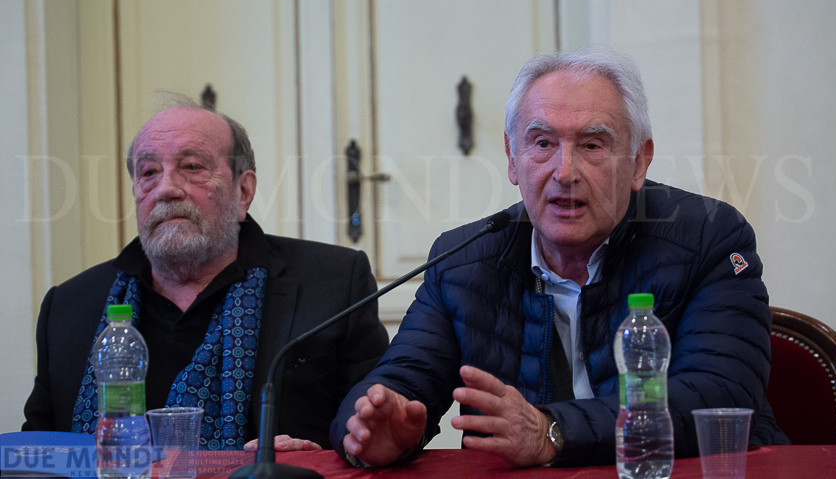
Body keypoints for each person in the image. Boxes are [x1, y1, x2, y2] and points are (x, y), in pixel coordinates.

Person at [330, 46, 788, 468]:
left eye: (592, 145)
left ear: (639, 162)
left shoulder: (708, 237)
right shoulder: (462, 261)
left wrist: (552, 431)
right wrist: (368, 431)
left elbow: (719, 394)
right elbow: (401, 381)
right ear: (512, 158)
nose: (564, 172)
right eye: (542, 143)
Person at [22, 95, 389, 451]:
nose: (166, 189)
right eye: (148, 172)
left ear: (243, 191)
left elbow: (377, 431)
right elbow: (34, 451)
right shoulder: (69, 307)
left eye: (193, 167)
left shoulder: (334, 283)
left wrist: (327, 459)